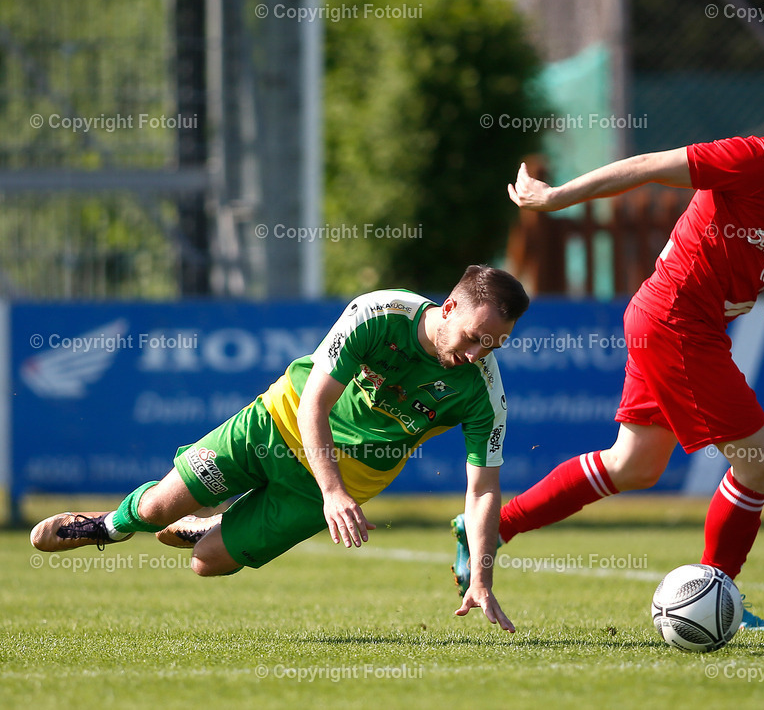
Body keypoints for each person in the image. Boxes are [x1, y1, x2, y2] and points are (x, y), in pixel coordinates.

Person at [451, 74, 764, 629]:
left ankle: (491, 525)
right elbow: (649, 165)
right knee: (761, 462)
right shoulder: (753, 159)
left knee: (635, 464)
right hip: (675, 320)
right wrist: (557, 196)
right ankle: (719, 595)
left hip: (684, 321)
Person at [31, 264, 529, 634]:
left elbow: (484, 489)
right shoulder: (379, 313)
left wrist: (481, 579)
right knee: (159, 508)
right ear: (449, 308)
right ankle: (106, 526)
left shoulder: (484, 391)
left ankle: (210, 523)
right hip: (280, 422)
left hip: (344, 481)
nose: (477, 354)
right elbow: (315, 402)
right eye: (473, 338)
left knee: (206, 562)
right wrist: (333, 492)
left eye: (493, 345)